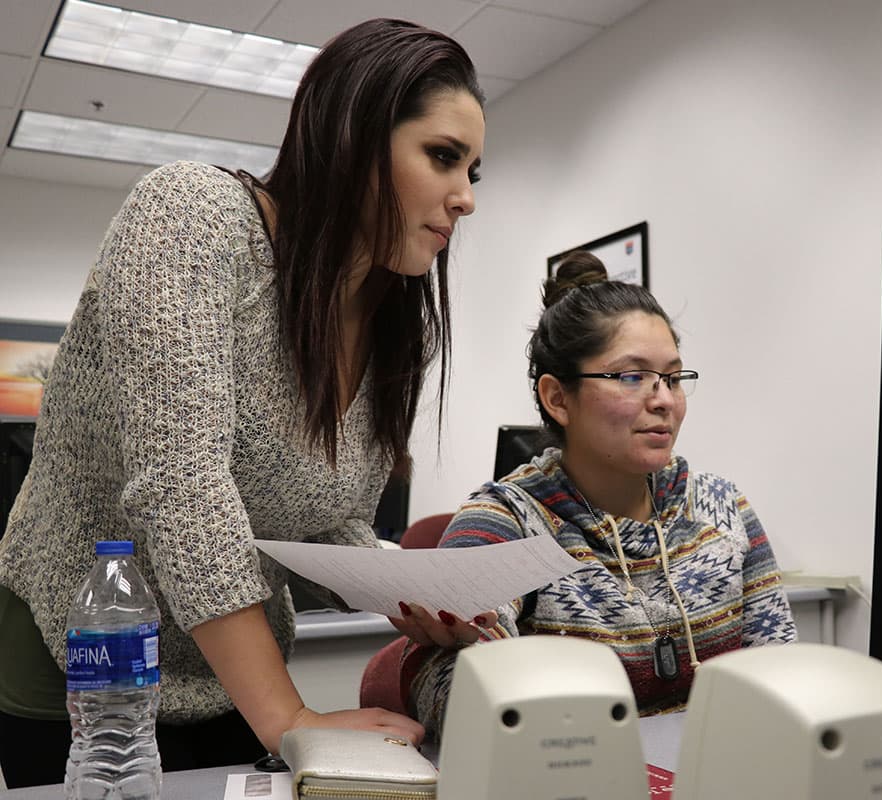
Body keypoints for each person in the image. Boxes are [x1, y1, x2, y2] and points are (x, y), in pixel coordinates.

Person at [0, 18, 486, 788]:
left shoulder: (393, 321)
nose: (463, 199)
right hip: (90, 660)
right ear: (354, 142)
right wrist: (291, 718)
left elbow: (321, 519)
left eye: (474, 173)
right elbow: (180, 483)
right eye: (442, 157)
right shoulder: (194, 219)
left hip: (236, 667)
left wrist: (404, 592)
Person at [391, 251, 798, 739]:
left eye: (672, 377)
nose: (664, 400)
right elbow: (449, 689)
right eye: (632, 377)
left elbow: (779, 674)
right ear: (558, 398)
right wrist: (477, 645)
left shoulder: (722, 509)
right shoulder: (508, 519)